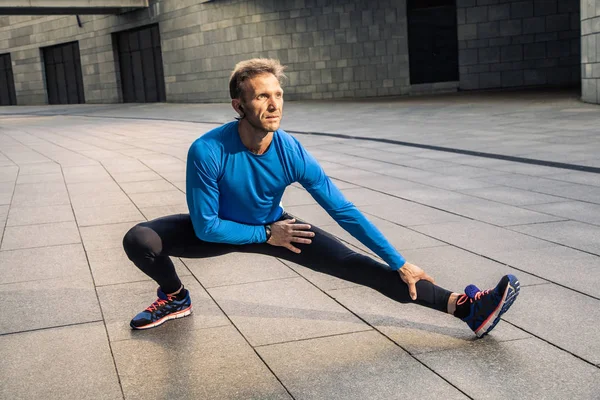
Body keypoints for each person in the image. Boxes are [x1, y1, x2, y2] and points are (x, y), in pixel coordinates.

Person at [123, 58, 519, 337]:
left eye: (278, 94)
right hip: (225, 229)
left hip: (275, 226)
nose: (274, 104)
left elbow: (341, 209)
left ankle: (466, 308)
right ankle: (175, 298)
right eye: (261, 97)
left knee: (356, 265)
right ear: (238, 105)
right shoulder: (208, 150)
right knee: (140, 240)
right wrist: (264, 235)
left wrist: (399, 260)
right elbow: (208, 226)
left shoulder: (290, 150)